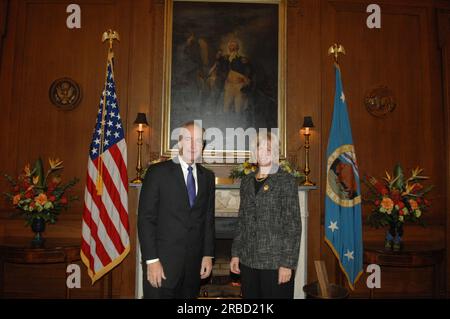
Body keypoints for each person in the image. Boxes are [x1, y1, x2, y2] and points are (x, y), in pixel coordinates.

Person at [138, 121, 215, 299]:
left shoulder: (207, 177)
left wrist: (207, 255)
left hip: (193, 268)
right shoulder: (157, 172)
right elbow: (145, 219)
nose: (194, 145)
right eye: (189, 139)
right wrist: (152, 260)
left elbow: (208, 220)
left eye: (199, 141)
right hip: (161, 265)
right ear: (179, 142)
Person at [230, 132, 301, 298]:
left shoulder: (286, 180)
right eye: (259, 147)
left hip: (275, 263)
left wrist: (287, 263)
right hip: (248, 261)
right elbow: (242, 220)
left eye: (268, 148)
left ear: (275, 151)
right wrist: (235, 254)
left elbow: (293, 225)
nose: (263, 151)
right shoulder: (247, 181)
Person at [215, 40, 252, 113]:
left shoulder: (242, 59)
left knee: (239, 109)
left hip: (239, 86)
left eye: (233, 46)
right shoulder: (225, 58)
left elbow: (248, 72)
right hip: (229, 85)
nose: (231, 47)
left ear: (237, 48)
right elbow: (219, 66)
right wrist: (218, 58)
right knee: (226, 109)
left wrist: (246, 82)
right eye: (230, 46)